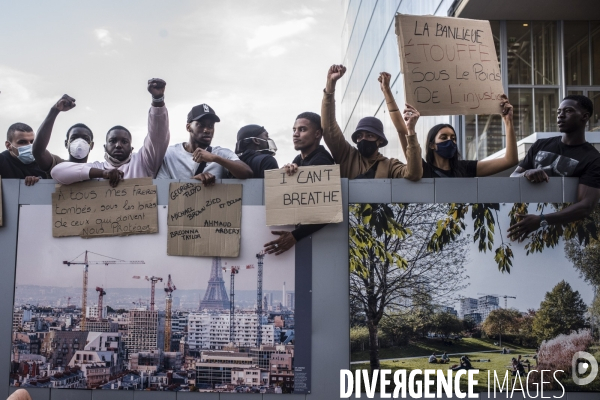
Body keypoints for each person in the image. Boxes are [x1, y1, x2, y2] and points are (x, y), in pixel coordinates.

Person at [379, 72, 517, 178]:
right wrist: (387, 91)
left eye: (453, 138)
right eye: (444, 137)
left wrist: (508, 121)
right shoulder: (422, 169)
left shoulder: (465, 168)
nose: (450, 141)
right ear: (432, 144)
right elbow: (401, 130)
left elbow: (510, 160)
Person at [508, 95, 600, 241]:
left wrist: (542, 220)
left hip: (563, 236)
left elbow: (586, 206)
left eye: (568, 111)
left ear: (585, 116)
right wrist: (526, 173)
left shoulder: (593, 159)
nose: (561, 116)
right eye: (558, 112)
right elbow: (512, 178)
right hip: (525, 224)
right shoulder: (540, 145)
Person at [51, 78, 170, 187]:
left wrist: (158, 100)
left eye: (124, 141)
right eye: (113, 141)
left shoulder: (144, 163)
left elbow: (157, 136)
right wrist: (103, 173)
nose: (118, 145)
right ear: (104, 147)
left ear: (131, 148)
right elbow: (57, 172)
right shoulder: (96, 168)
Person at [321, 64, 422, 180]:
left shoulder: (389, 165)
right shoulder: (347, 156)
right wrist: (330, 84)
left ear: (380, 140)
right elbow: (329, 129)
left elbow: (414, 174)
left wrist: (411, 131)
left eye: (369, 135)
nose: (363, 139)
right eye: (359, 136)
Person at [264, 112, 335, 255]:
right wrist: (287, 172)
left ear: (317, 134)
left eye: (302, 129)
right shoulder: (299, 158)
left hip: (321, 243)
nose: (295, 134)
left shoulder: (321, 161)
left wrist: (294, 236)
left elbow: (326, 211)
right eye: (294, 130)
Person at [156, 103, 252, 184]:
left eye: (211, 126)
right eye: (201, 125)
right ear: (188, 127)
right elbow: (161, 187)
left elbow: (247, 172)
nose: (207, 130)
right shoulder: (171, 154)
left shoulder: (221, 153)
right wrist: (193, 184)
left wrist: (215, 158)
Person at [32, 94, 94, 175]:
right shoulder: (58, 165)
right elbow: (38, 152)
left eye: (85, 139)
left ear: (91, 145)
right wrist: (54, 111)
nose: (80, 142)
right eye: (74, 138)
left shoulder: (98, 171)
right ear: (66, 144)